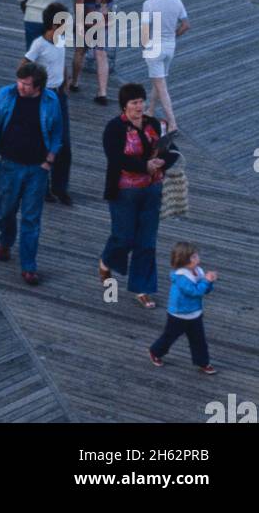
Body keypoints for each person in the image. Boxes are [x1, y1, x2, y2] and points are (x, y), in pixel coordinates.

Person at [0, 60, 63, 286]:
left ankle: (29, 266)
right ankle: (6, 240)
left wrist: (49, 160)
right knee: (5, 210)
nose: (21, 86)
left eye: (26, 84)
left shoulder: (50, 100)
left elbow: (57, 132)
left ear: (39, 87)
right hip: (9, 165)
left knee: (31, 218)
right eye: (20, 81)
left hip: (37, 169)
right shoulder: (6, 95)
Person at [99, 82, 178, 308]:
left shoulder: (153, 124)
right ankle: (106, 261)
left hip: (152, 190)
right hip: (125, 191)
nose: (139, 106)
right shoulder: (114, 128)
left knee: (147, 241)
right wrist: (145, 166)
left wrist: (163, 162)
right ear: (124, 106)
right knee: (123, 237)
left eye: (142, 101)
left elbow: (173, 149)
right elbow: (116, 158)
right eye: (134, 102)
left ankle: (142, 288)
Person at [25, 2, 72, 204]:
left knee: (64, 143)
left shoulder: (60, 40)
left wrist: (66, 80)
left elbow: (61, 63)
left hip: (59, 95)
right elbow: (24, 66)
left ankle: (60, 187)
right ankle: (42, 187)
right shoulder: (39, 44)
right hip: (44, 96)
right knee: (43, 142)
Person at [148, 242, 218, 373]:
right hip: (178, 314)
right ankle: (155, 351)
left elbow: (204, 290)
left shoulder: (198, 271)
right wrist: (206, 281)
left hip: (194, 313)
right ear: (186, 260)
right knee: (169, 336)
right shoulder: (181, 277)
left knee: (199, 340)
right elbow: (194, 292)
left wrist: (209, 283)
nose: (198, 258)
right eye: (194, 256)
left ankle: (203, 362)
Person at [69, 0, 118, 104]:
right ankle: (102, 92)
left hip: (87, 17)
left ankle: (74, 82)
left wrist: (78, 21)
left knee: (80, 50)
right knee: (101, 53)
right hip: (104, 17)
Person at [140, 0, 188, 131]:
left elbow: (145, 30)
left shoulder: (149, 3)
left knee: (160, 84)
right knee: (158, 80)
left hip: (155, 47)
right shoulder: (177, 2)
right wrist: (174, 35)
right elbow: (185, 25)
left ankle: (172, 122)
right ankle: (151, 110)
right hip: (170, 47)